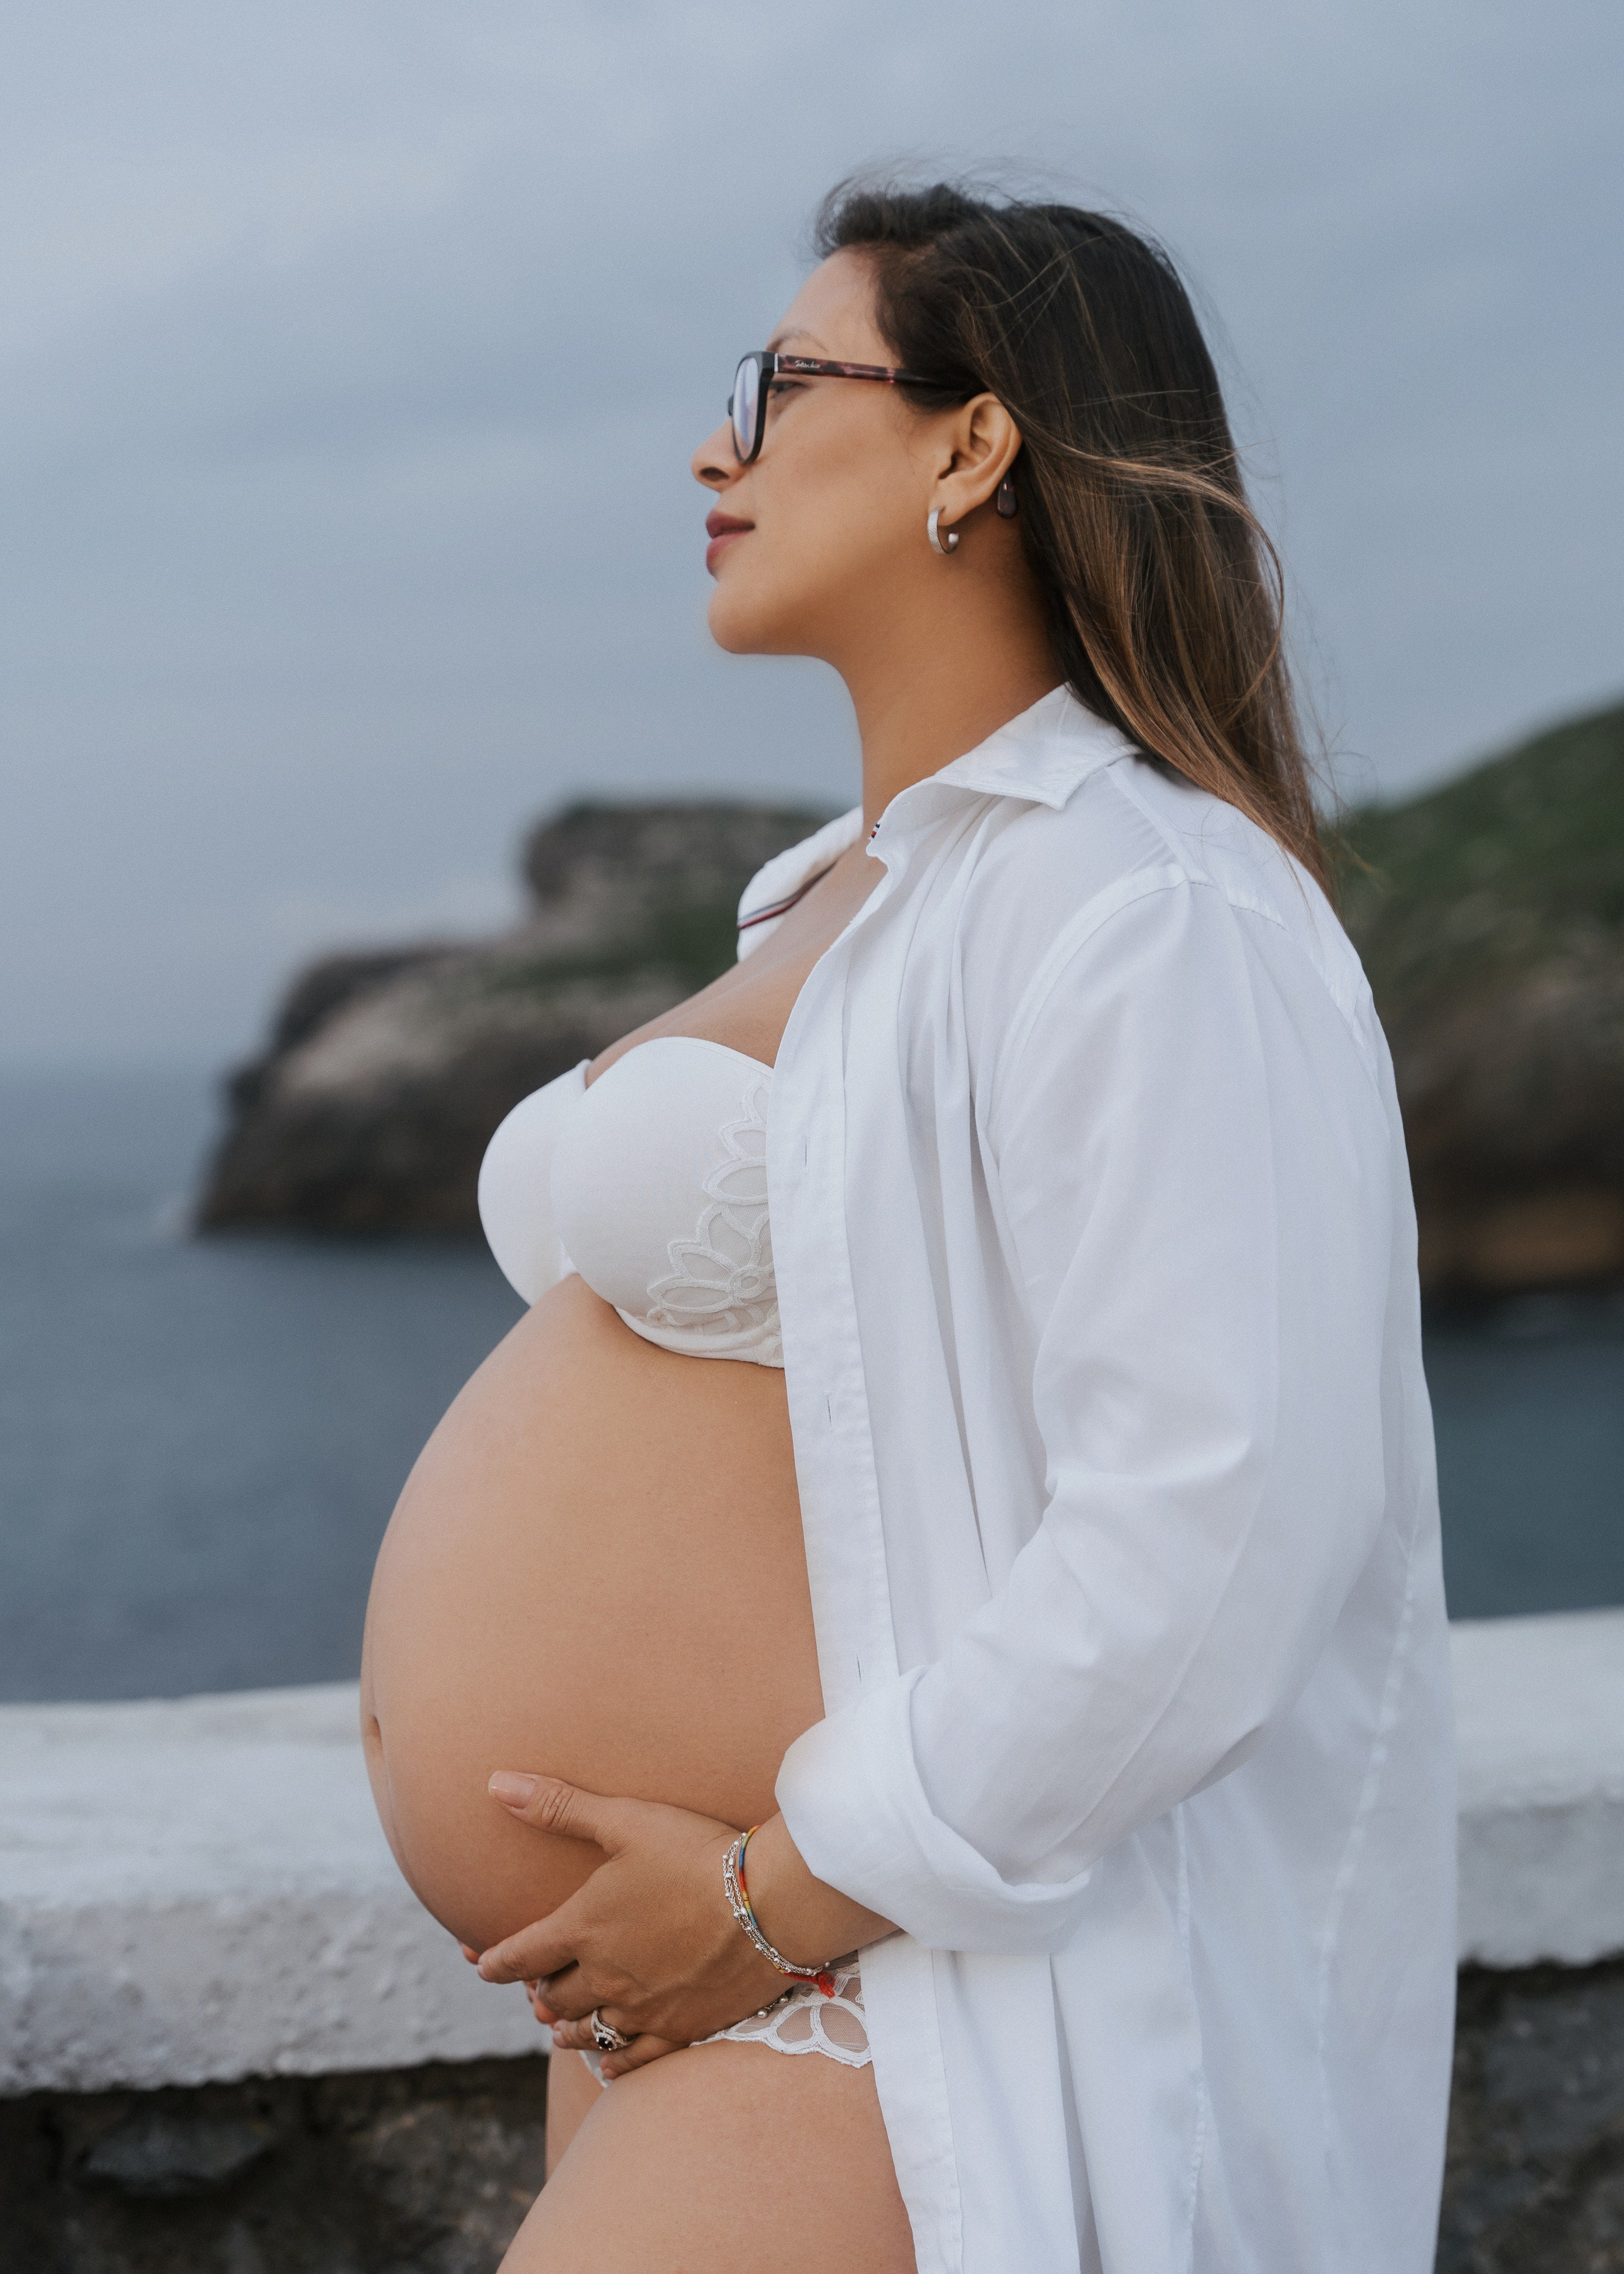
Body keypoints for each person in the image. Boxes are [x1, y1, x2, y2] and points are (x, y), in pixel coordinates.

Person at [360, 180, 1456, 2274]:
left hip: (900, 1988)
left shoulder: (1147, 900)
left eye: (779, 386)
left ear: (975, 442)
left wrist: (773, 1894)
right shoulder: (848, 896)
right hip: (711, 1971)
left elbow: (1215, 1529)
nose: (714, 449)